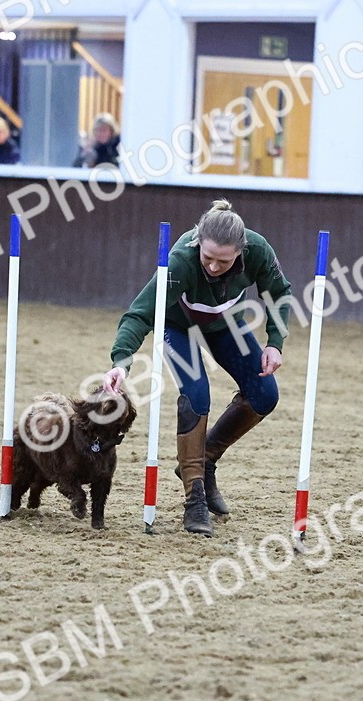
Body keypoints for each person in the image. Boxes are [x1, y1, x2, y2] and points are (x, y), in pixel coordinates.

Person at [102, 200, 293, 537]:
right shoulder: (181, 260)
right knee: (197, 395)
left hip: (225, 324)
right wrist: (121, 361)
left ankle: (205, 459)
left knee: (265, 394)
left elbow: (279, 292)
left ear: (241, 250)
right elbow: (140, 314)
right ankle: (195, 498)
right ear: (198, 243)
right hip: (177, 327)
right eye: (208, 258)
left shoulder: (259, 250)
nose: (215, 267)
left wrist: (275, 342)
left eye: (225, 261)